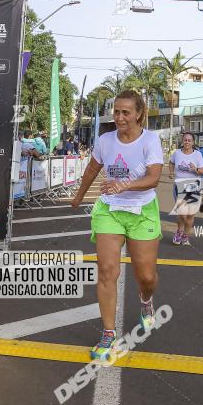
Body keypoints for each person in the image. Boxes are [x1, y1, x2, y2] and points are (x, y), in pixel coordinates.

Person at [70, 90, 163, 361]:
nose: (120, 117)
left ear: (138, 114)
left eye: (126, 112)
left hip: (142, 210)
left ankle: (146, 303)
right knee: (107, 271)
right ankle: (108, 333)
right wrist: (78, 196)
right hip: (109, 210)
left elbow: (154, 177)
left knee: (146, 276)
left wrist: (124, 184)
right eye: (117, 111)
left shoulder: (150, 140)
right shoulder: (105, 140)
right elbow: (92, 169)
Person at [169, 132, 203, 247]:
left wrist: (195, 169)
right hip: (179, 186)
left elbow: (202, 171)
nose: (187, 142)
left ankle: (185, 236)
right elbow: (171, 162)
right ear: (182, 141)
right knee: (182, 213)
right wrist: (171, 172)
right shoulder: (177, 153)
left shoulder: (198, 155)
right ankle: (179, 232)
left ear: (193, 142)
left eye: (189, 140)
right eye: (185, 140)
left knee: (190, 215)